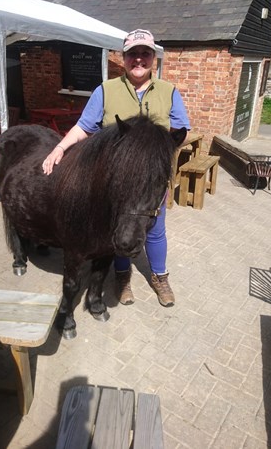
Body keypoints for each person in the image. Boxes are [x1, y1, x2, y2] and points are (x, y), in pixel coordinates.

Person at [42, 29, 190, 307]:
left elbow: (181, 130)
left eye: (145, 53)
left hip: (150, 180)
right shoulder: (106, 90)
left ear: (153, 58)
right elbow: (85, 126)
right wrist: (60, 148)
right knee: (122, 226)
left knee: (155, 230)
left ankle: (159, 276)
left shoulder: (168, 91)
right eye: (133, 53)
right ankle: (122, 277)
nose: (139, 59)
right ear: (123, 58)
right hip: (118, 179)